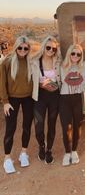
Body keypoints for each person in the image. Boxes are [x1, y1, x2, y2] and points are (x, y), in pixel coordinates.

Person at [0, 36, 34, 174]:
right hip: (12, 100)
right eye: (20, 47)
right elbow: (2, 84)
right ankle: (7, 158)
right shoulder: (7, 62)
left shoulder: (31, 62)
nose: (22, 50)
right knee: (10, 128)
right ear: (16, 47)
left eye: (26, 48)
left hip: (28, 99)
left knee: (26, 126)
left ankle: (23, 153)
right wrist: (5, 102)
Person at [59, 44, 85, 166]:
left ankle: (74, 151)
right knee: (66, 127)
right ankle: (67, 152)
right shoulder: (63, 66)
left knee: (77, 125)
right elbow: (63, 80)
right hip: (64, 98)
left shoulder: (84, 66)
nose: (75, 56)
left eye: (78, 54)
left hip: (78, 98)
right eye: (73, 53)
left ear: (81, 55)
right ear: (69, 54)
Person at [31, 36, 62, 164]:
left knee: (52, 124)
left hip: (55, 96)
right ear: (43, 47)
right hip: (40, 96)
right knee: (39, 126)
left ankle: (49, 149)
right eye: (48, 47)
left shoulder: (58, 62)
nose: (50, 51)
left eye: (53, 49)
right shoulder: (34, 61)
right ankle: (41, 146)